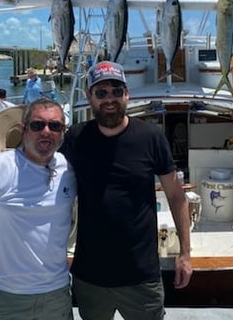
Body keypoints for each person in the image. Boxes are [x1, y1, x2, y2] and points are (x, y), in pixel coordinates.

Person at [61, 61, 192, 320]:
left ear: (127, 95)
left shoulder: (151, 138)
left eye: (116, 91)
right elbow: (40, 166)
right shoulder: (75, 138)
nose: (109, 99)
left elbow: (176, 196)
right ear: (89, 97)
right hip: (90, 278)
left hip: (141, 277)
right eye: (101, 93)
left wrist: (186, 254)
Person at [0, 98, 77, 320]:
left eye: (55, 126)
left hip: (56, 298)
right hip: (5, 300)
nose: (46, 131)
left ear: (63, 132)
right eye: (38, 125)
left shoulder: (69, 170)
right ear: (23, 129)